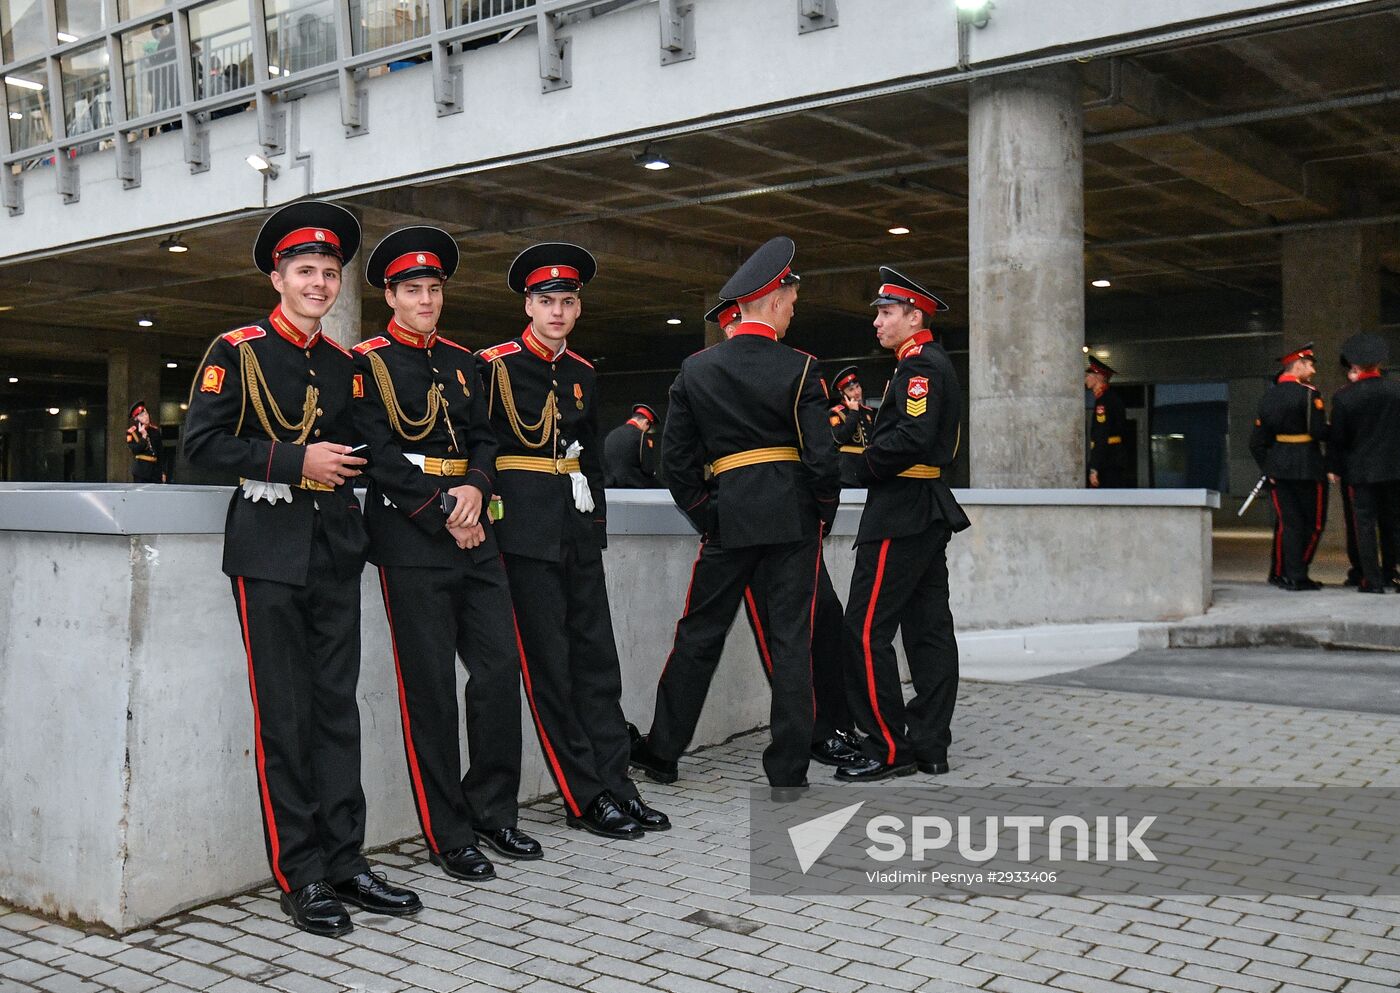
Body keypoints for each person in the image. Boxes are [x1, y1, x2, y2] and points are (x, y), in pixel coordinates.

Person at [182, 201, 420, 937]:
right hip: (268, 552)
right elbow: (201, 444)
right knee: (284, 717)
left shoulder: (350, 364)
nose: (318, 282)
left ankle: (347, 859)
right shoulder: (238, 349)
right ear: (277, 276)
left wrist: (452, 496)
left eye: (328, 272)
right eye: (305, 270)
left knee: (337, 710)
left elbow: (375, 451)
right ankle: (302, 874)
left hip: (334, 550)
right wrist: (295, 460)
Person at [353, 226, 543, 883]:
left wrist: (474, 489)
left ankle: (493, 809)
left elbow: (486, 439)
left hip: (473, 521)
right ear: (391, 294)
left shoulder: (467, 362)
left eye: (434, 288)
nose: (426, 299)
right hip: (412, 535)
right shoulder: (367, 362)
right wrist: (442, 511)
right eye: (413, 289)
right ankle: (448, 829)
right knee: (429, 687)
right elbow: (376, 453)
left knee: (498, 669)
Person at [629, 237, 840, 790]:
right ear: (772, 300)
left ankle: (664, 752)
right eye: (790, 301)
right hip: (792, 518)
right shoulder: (801, 368)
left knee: (699, 634)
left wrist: (706, 515)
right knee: (792, 640)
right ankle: (789, 769)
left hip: (728, 518)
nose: (792, 311)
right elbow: (822, 458)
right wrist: (821, 515)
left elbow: (675, 460)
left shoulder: (697, 369)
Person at [478, 243, 668, 840]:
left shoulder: (583, 373)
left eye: (567, 302)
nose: (557, 312)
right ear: (527, 306)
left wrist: (595, 529)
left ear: (578, 309)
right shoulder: (494, 366)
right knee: (551, 671)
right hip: (522, 533)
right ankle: (583, 793)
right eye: (546, 301)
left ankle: (617, 783)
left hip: (576, 530)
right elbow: (479, 450)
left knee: (597, 664)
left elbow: (591, 464)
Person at [703, 297, 861, 769]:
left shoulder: (782, 370)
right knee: (782, 632)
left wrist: (819, 510)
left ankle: (832, 724)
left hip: (792, 519)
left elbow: (812, 448)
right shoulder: (707, 375)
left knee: (823, 620)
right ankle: (813, 733)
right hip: (740, 523)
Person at [836, 266, 969, 782]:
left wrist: (855, 467)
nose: (877, 322)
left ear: (915, 317)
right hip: (923, 507)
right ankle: (930, 744)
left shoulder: (921, 368)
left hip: (903, 509)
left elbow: (912, 436)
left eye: (886, 313)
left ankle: (887, 746)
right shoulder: (920, 363)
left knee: (865, 630)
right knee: (928, 630)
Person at [1249, 342, 1328, 592]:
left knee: (1287, 525)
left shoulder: (1268, 396)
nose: (1313, 371)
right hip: (1308, 466)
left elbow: (1256, 443)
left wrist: (1268, 468)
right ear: (1298, 365)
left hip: (1278, 469)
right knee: (1312, 524)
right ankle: (1298, 574)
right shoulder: (1309, 394)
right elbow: (1317, 432)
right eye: (1310, 365)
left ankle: (1279, 573)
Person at [1327, 333, 1400, 594]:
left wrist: (1334, 467)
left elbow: (1338, 438)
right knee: (1393, 523)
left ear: (1354, 366)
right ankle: (1393, 573)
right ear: (1379, 363)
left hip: (1360, 472)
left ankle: (1372, 579)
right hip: (1394, 469)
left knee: (1364, 526)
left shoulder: (1345, 397)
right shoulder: (1396, 391)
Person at [1085, 356, 1132, 488]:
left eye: (1088, 375)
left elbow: (1102, 435)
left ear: (1098, 377)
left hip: (1107, 461)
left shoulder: (1104, 402)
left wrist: (1094, 468)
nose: (1086, 378)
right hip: (1113, 459)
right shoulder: (1111, 398)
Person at [829, 366, 876, 489]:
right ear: (842, 393)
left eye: (857, 387)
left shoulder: (868, 412)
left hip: (867, 467)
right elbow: (840, 437)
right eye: (851, 390)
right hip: (848, 471)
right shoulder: (836, 412)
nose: (857, 392)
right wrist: (853, 413)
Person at [603, 403, 661, 487]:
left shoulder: (611, 434)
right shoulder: (642, 436)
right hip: (636, 486)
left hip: (612, 485)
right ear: (646, 422)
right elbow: (648, 469)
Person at [126, 401, 166, 483]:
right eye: (141, 416)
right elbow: (135, 450)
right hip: (141, 471)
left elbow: (160, 453)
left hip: (155, 471)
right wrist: (143, 436)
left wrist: (163, 471)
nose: (146, 417)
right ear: (136, 419)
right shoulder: (132, 432)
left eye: (146, 414)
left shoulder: (155, 430)